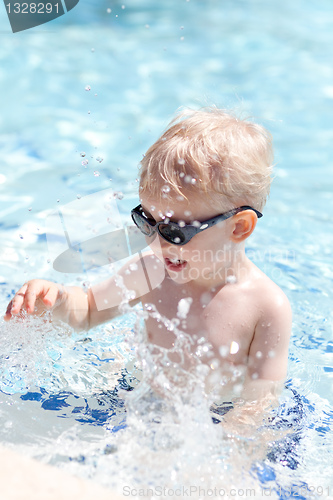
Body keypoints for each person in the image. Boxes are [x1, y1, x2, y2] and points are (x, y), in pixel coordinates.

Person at [4, 107, 292, 421]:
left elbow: (260, 402)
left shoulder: (266, 306)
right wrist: (56, 298)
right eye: (147, 222)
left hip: (215, 418)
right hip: (147, 404)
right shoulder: (151, 270)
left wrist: (233, 446)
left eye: (175, 231)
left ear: (238, 227)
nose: (158, 242)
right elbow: (87, 311)